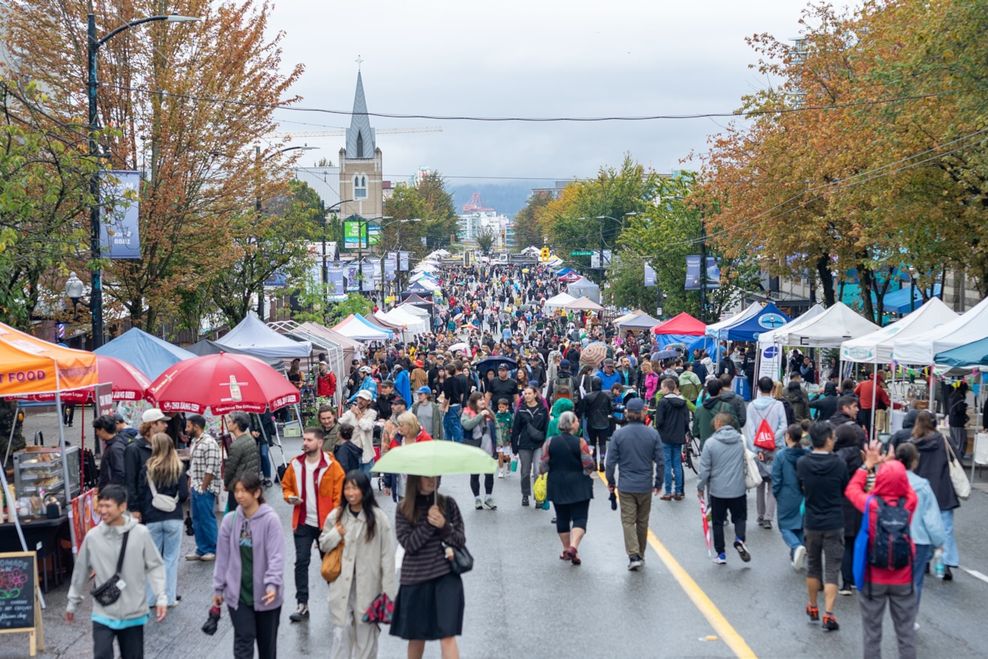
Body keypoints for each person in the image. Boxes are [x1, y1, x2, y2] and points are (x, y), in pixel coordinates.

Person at [66, 485, 167, 659]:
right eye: (100, 505)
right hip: (103, 610)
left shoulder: (140, 534)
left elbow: (155, 565)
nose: (102, 511)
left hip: (133, 611)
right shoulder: (92, 537)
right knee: (102, 654)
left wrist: (161, 597)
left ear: (122, 507)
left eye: (108, 506)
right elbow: (80, 570)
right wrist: (72, 601)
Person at [845, 446, 918, 657]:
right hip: (903, 577)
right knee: (905, 633)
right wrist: (893, 467)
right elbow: (908, 490)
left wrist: (869, 465)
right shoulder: (909, 504)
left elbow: (852, 489)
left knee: (872, 633)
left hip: (873, 576)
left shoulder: (870, 504)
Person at [318, 470, 397, 659]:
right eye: (347, 488)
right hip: (341, 586)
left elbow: (387, 557)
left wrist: (388, 593)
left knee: (366, 640)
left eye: (355, 488)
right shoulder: (336, 516)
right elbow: (323, 544)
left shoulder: (378, 519)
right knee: (341, 635)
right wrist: (336, 533)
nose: (350, 493)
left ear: (364, 491)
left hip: (369, 588)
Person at [390, 475, 466, 658]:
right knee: (416, 637)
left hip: (446, 577)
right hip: (415, 579)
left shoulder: (448, 504)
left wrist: (443, 525)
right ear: (416, 479)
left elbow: (460, 540)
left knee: (448, 636)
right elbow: (409, 544)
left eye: (435, 476)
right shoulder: (403, 509)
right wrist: (429, 524)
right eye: (426, 477)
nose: (432, 480)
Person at [212, 473, 285, 659]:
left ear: (257, 492)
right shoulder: (230, 521)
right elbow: (222, 557)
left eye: (244, 491)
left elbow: (276, 556)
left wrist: (272, 584)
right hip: (238, 596)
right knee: (243, 642)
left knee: (267, 648)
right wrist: (218, 588)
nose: (239, 495)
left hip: (267, 596)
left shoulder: (271, 520)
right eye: (236, 491)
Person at [281, 427, 345, 623]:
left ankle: (338, 601)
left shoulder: (332, 467)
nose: (305, 443)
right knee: (301, 561)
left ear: (319, 442)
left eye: (309, 440)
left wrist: (333, 524)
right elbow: (286, 486)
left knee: (330, 565)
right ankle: (302, 604)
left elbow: (338, 497)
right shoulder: (295, 465)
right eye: (304, 440)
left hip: (326, 524)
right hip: (302, 522)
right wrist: (290, 497)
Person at [797, 421, 849, 631]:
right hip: (834, 521)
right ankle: (829, 613)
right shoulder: (839, 464)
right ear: (827, 440)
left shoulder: (803, 463)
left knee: (813, 566)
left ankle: (813, 606)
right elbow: (844, 488)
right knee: (832, 569)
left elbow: (800, 486)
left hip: (812, 520)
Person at [605, 398, 663, 570]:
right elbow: (660, 461)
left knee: (628, 520)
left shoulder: (619, 435)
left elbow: (610, 462)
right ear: (643, 413)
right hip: (645, 484)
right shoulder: (652, 434)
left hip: (626, 485)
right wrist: (659, 482)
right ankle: (641, 553)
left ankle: (633, 554)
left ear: (627, 413)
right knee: (642, 521)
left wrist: (611, 481)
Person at [137, 432, 188, 608]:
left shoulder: (147, 468)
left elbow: (141, 494)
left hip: (152, 517)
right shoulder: (178, 467)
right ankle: (169, 596)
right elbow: (183, 494)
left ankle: (152, 598)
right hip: (173, 517)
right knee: (171, 559)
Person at [895, 441, 945, 619]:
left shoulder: (889, 482)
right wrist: (939, 541)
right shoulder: (922, 485)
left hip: (892, 537)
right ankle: (909, 616)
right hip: (918, 539)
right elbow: (931, 518)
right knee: (915, 579)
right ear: (915, 462)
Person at [910, 410, 960, 580]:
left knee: (922, 527)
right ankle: (945, 564)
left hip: (921, 492)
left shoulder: (913, 444)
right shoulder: (945, 441)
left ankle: (924, 561)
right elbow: (957, 460)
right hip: (943, 489)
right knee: (945, 529)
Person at [540, 410, 594, 565]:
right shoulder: (580, 443)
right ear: (571, 424)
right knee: (580, 517)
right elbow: (589, 465)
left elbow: (542, 466)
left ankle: (566, 549)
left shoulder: (549, 442)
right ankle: (573, 546)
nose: (578, 423)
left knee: (562, 517)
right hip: (579, 484)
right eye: (576, 420)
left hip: (557, 483)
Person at [696, 413, 750, 565]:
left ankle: (721, 554)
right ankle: (740, 539)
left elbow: (704, 468)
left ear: (718, 423)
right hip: (738, 488)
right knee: (740, 518)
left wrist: (700, 487)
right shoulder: (741, 440)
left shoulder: (710, 443)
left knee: (718, 522)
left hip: (717, 490)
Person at [744, 376, 788, 530]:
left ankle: (760, 515)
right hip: (775, 448)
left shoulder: (752, 406)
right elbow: (783, 426)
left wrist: (756, 448)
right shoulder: (778, 406)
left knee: (759, 482)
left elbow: (749, 430)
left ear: (758, 388)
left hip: (757, 449)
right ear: (773, 389)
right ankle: (769, 517)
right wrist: (771, 439)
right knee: (773, 482)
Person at [772, 424, 808, 569]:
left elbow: (776, 477)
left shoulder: (781, 455)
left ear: (787, 436)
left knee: (785, 526)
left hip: (786, 493)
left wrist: (776, 493)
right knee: (799, 525)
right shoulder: (806, 453)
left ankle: (796, 546)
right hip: (803, 494)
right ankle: (796, 554)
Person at [124, 408, 170, 522]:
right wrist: (134, 508)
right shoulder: (133, 449)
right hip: (144, 507)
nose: (166, 425)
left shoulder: (161, 446)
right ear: (152, 425)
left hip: (162, 505)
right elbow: (130, 480)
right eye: (162, 422)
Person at [834, 423, 864, 595]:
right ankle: (854, 579)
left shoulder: (838, 457)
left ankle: (845, 583)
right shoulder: (861, 455)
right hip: (858, 502)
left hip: (843, 502)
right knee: (854, 543)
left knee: (844, 544)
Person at [186, 413, 221, 562]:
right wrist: (190, 480)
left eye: (188, 426)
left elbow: (211, 467)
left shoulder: (209, 443)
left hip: (205, 487)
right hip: (196, 485)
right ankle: (201, 548)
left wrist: (203, 487)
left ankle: (212, 548)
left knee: (207, 518)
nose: (186, 429)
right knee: (197, 519)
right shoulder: (195, 442)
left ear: (196, 426)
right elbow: (194, 464)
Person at [510, 385, 549, 507]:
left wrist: (547, 445)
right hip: (524, 444)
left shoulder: (542, 410)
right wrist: (514, 446)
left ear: (535, 395)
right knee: (525, 472)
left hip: (539, 444)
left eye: (529, 393)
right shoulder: (521, 410)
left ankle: (538, 496)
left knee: (538, 471)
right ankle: (525, 495)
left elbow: (546, 428)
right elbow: (515, 429)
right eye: (525, 394)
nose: (527, 396)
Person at [653, 377, 690, 501]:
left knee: (667, 464)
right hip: (678, 436)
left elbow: (659, 421)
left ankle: (668, 491)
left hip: (665, 436)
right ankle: (678, 491)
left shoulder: (663, 402)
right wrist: (683, 432)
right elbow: (686, 421)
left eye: (662, 387)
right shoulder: (683, 402)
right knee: (677, 464)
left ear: (666, 388)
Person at [461, 392, 498, 510]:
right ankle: (477, 498)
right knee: (475, 474)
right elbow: (467, 425)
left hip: (488, 448)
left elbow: (496, 427)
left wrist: (500, 444)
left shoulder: (489, 412)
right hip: (474, 448)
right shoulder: (467, 412)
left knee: (489, 474)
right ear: (474, 402)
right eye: (479, 399)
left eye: (483, 399)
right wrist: (480, 415)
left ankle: (488, 497)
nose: (483, 401)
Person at [224, 412, 262, 512]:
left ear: (236, 424)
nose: (228, 424)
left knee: (236, 516)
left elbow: (230, 469)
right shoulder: (250, 439)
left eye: (229, 422)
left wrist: (226, 483)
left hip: (238, 485)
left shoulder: (236, 445)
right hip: (250, 483)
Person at [339, 390, 379, 474]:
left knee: (366, 482)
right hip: (353, 454)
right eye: (359, 398)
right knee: (354, 483)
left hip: (367, 454)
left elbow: (366, 427)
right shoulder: (350, 413)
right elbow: (339, 423)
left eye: (363, 399)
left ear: (369, 402)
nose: (360, 401)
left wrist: (358, 415)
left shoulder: (372, 413)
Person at [579, 376, 613, 471]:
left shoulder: (587, 396)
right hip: (604, 422)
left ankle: (594, 461)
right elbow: (610, 409)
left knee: (592, 443)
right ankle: (602, 460)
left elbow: (583, 409)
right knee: (602, 443)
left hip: (591, 422)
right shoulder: (606, 396)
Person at [93, 414, 127, 490]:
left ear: (102, 430)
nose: (97, 433)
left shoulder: (115, 448)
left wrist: (108, 491)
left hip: (112, 494)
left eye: (97, 430)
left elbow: (120, 473)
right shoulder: (115, 444)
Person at [853, 372, 891, 437]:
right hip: (871, 409)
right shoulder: (878, 388)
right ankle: (870, 439)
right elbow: (887, 403)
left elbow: (855, 393)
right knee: (870, 427)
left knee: (863, 425)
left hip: (862, 408)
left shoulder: (862, 384)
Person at [947, 381, 970, 459]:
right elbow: (960, 410)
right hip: (958, 423)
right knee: (960, 444)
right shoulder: (959, 397)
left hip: (951, 422)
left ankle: (953, 461)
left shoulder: (952, 394)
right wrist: (965, 407)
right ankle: (958, 462)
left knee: (954, 444)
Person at [494, 398, 515, 479]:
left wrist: (511, 439)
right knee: (500, 455)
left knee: (506, 457)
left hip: (507, 440)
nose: (501, 409)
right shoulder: (496, 416)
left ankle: (509, 464)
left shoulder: (509, 416)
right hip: (499, 440)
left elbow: (512, 428)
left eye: (503, 407)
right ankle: (501, 471)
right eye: (499, 407)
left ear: (507, 407)